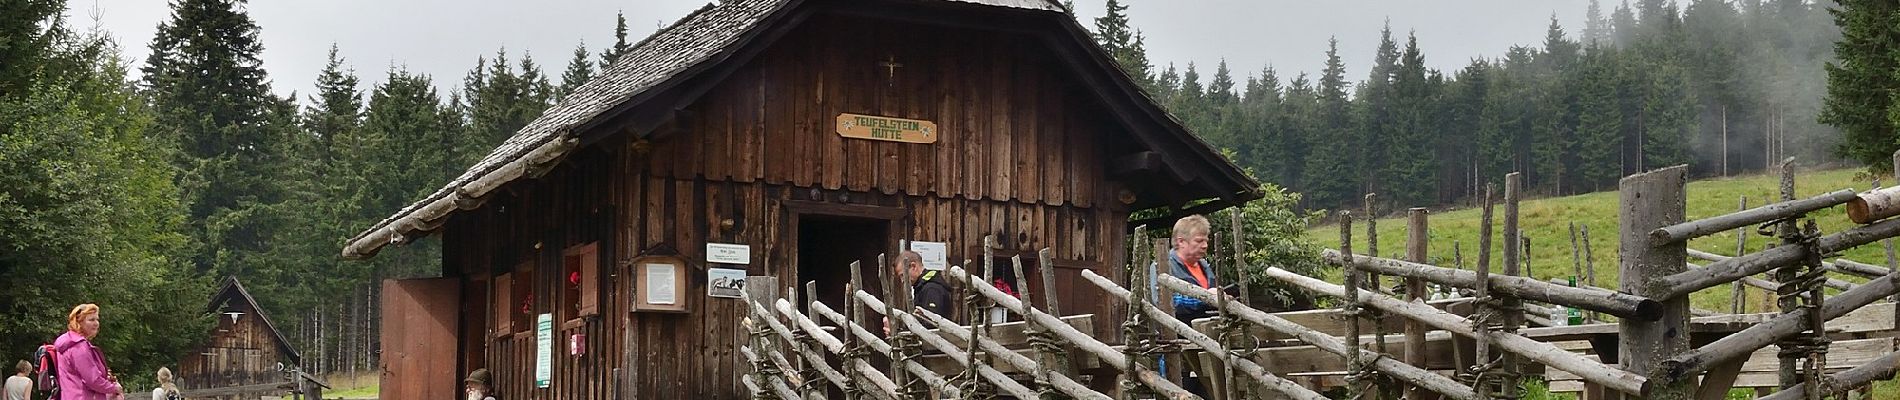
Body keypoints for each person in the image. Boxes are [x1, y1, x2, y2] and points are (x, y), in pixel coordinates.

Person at [1153, 215, 1220, 397]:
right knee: (1181, 391)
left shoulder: (1205, 267)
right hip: (1178, 345)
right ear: (1181, 241)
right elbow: (1165, 302)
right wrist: (1206, 298)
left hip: (1206, 344)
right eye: (1199, 240)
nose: (1205, 245)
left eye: (1206, 240)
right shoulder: (1162, 266)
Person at [54, 304, 122, 400]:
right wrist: (114, 388)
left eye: (97, 319)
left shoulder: (68, 344)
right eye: (91, 320)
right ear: (79, 322)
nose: (96, 323)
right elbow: (93, 380)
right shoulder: (79, 346)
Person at [883, 250, 954, 336]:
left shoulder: (932, 289)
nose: (902, 281)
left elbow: (931, 324)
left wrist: (899, 333)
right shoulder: (922, 287)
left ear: (913, 266)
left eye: (902, 275)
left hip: (934, 346)